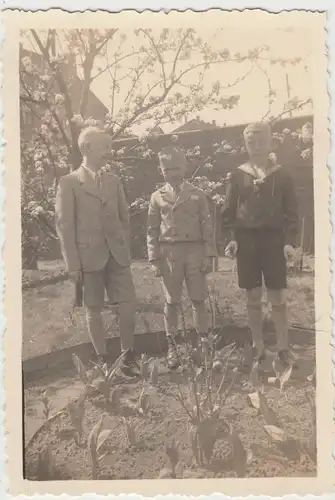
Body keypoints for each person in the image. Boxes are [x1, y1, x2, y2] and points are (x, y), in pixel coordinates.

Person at [55, 126, 139, 377]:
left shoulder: (113, 180)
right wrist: (72, 262)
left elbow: (124, 217)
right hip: (87, 257)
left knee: (127, 304)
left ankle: (127, 357)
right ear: (87, 148)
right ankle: (103, 360)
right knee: (93, 308)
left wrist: (121, 242)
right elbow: (64, 225)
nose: (109, 152)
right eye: (105, 147)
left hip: (117, 254)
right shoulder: (69, 183)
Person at [221, 121, 299, 369]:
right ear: (246, 144)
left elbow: (292, 212)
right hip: (247, 242)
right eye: (251, 142)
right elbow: (227, 212)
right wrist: (231, 238)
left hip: (274, 241)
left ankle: (283, 349)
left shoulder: (282, 174)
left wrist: (290, 242)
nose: (256, 146)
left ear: (270, 142)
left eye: (261, 141)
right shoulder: (237, 175)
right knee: (253, 297)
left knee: (277, 297)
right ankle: (258, 348)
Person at [147, 145, 217, 369]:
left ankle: (203, 344)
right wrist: (154, 258)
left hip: (194, 251)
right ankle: (173, 346)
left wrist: (208, 253)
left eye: (175, 168)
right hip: (170, 253)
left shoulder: (197, 194)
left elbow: (207, 225)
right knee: (172, 300)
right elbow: (151, 229)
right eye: (166, 169)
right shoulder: (157, 197)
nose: (171, 173)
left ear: (184, 167)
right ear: (161, 170)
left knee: (198, 298)